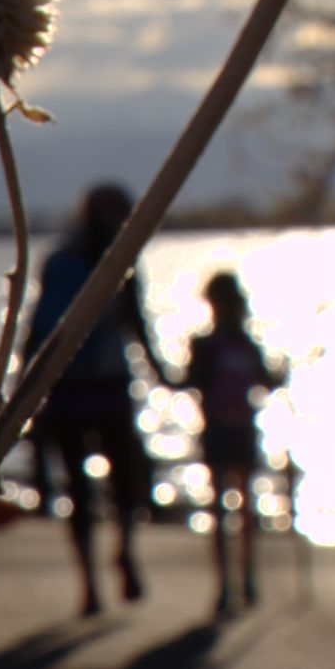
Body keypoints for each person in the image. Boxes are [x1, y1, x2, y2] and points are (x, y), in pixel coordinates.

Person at [25, 183, 172, 617]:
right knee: (115, 483)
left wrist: (26, 378)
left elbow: (37, 326)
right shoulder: (108, 260)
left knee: (95, 486)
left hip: (78, 387)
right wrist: (162, 372)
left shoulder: (67, 260)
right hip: (91, 386)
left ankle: (98, 576)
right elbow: (136, 324)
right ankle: (105, 567)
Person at [171, 270, 287, 615]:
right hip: (221, 431)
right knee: (227, 510)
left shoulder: (240, 343)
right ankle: (230, 583)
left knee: (240, 509)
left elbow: (265, 380)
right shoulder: (211, 345)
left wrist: (280, 374)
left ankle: (244, 580)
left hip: (236, 431)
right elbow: (192, 380)